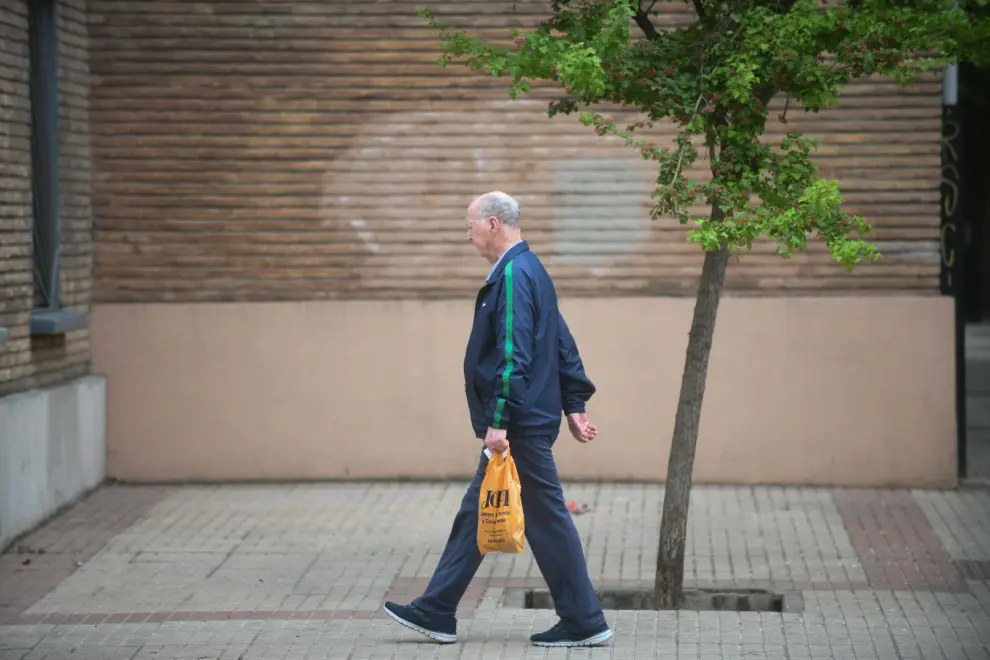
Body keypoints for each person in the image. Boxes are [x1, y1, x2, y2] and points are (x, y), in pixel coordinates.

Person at [383, 191, 612, 648]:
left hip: (520, 423)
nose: (465, 234)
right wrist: (574, 405)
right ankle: (437, 609)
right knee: (478, 510)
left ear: (492, 224)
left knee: (547, 519)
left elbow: (514, 354)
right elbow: (561, 343)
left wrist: (500, 420)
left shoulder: (513, 275)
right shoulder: (531, 271)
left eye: (469, 225)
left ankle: (584, 620)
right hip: (529, 417)